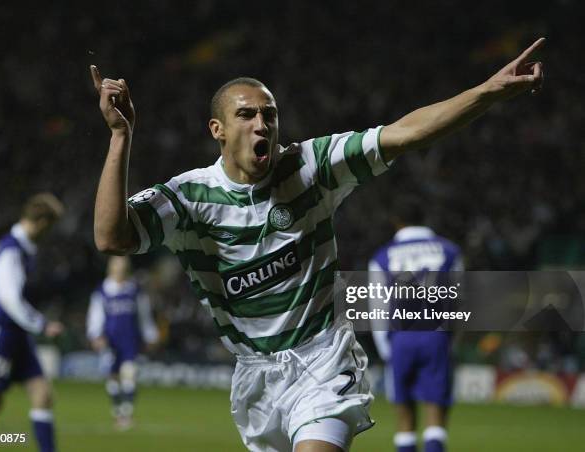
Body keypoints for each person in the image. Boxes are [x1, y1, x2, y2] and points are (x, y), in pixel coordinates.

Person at [89, 37, 544, 452]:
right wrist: (120, 137)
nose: (262, 124)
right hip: (255, 376)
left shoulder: (312, 166)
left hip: (323, 358)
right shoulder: (189, 198)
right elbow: (111, 237)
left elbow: (404, 133)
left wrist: (486, 92)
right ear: (218, 130)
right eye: (246, 115)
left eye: (269, 114)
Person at [369, 197, 462, 452]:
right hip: (436, 336)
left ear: (396, 222)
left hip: (401, 339)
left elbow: (378, 310)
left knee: (404, 417)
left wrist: (386, 349)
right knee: (436, 413)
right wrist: (451, 340)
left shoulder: (382, 256)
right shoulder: (449, 250)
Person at [0, 193, 64, 452]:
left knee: (42, 394)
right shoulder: (9, 250)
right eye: (51, 226)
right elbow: (9, 299)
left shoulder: (22, 249)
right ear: (42, 221)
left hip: (17, 335)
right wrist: (42, 324)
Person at [86, 255, 159, 430]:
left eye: (123, 266)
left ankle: (126, 414)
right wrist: (95, 335)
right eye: (117, 266)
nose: (120, 270)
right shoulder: (102, 291)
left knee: (129, 374)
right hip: (110, 340)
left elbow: (144, 315)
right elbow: (95, 315)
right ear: (110, 268)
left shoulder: (134, 290)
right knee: (112, 377)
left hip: (130, 339)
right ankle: (117, 411)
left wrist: (151, 335)